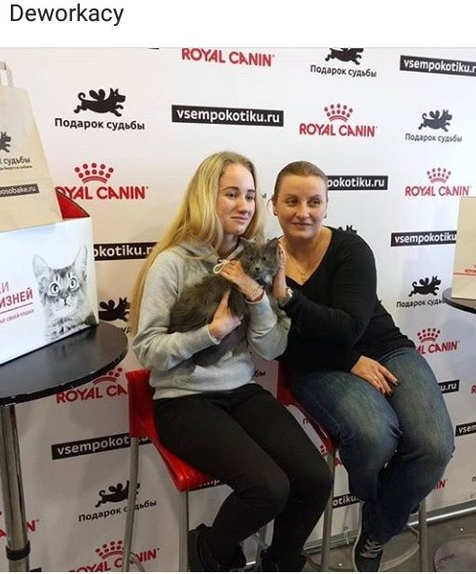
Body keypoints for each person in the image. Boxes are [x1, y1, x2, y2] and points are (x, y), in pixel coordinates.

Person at [130, 151, 333, 572]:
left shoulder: (257, 259)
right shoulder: (173, 263)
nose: (244, 206)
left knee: (315, 479)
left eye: (251, 196)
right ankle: (207, 553)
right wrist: (211, 332)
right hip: (184, 400)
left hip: (241, 392)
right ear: (207, 197)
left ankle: (279, 564)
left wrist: (257, 297)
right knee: (268, 489)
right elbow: (148, 349)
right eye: (232, 194)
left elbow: (272, 348)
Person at [271, 160, 455, 572]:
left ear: (327, 206)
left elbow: (350, 327)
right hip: (318, 368)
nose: (303, 212)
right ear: (274, 205)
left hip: (386, 349)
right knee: (374, 437)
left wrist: (287, 298)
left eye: (314, 202)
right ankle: (388, 504)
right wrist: (348, 360)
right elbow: (279, 345)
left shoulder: (350, 249)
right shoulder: (266, 259)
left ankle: (377, 526)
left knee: (434, 447)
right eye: (292, 201)